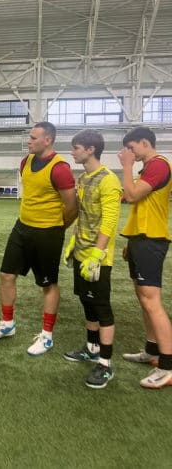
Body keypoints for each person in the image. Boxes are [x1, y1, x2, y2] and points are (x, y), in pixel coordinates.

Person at [0, 122, 77, 355]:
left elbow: (72, 207)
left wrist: (57, 228)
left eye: (34, 137)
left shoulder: (60, 168)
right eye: (30, 137)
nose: (29, 140)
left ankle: (47, 336)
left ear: (48, 140)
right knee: (6, 275)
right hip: (22, 227)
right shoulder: (26, 161)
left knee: (48, 284)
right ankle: (7, 324)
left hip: (48, 232)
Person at [62, 130, 122, 389]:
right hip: (81, 252)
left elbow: (109, 220)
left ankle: (106, 365)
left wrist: (97, 253)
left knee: (102, 307)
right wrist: (73, 244)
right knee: (86, 302)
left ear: (90, 149)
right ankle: (92, 348)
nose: (72, 152)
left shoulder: (109, 179)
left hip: (98, 258)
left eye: (76, 148)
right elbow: (83, 215)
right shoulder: (83, 178)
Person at [118, 126, 172, 389]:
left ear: (144, 142)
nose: (130, 153)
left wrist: (126, 166)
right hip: (141, 239)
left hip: (152, 240)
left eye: (132, 148)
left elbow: (130, 196)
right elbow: (138, 205)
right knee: (143, 298)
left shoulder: (159, 165)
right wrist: (131, 241)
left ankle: (168, 367)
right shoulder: (148, 168)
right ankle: (152, 350)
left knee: (152, 302)